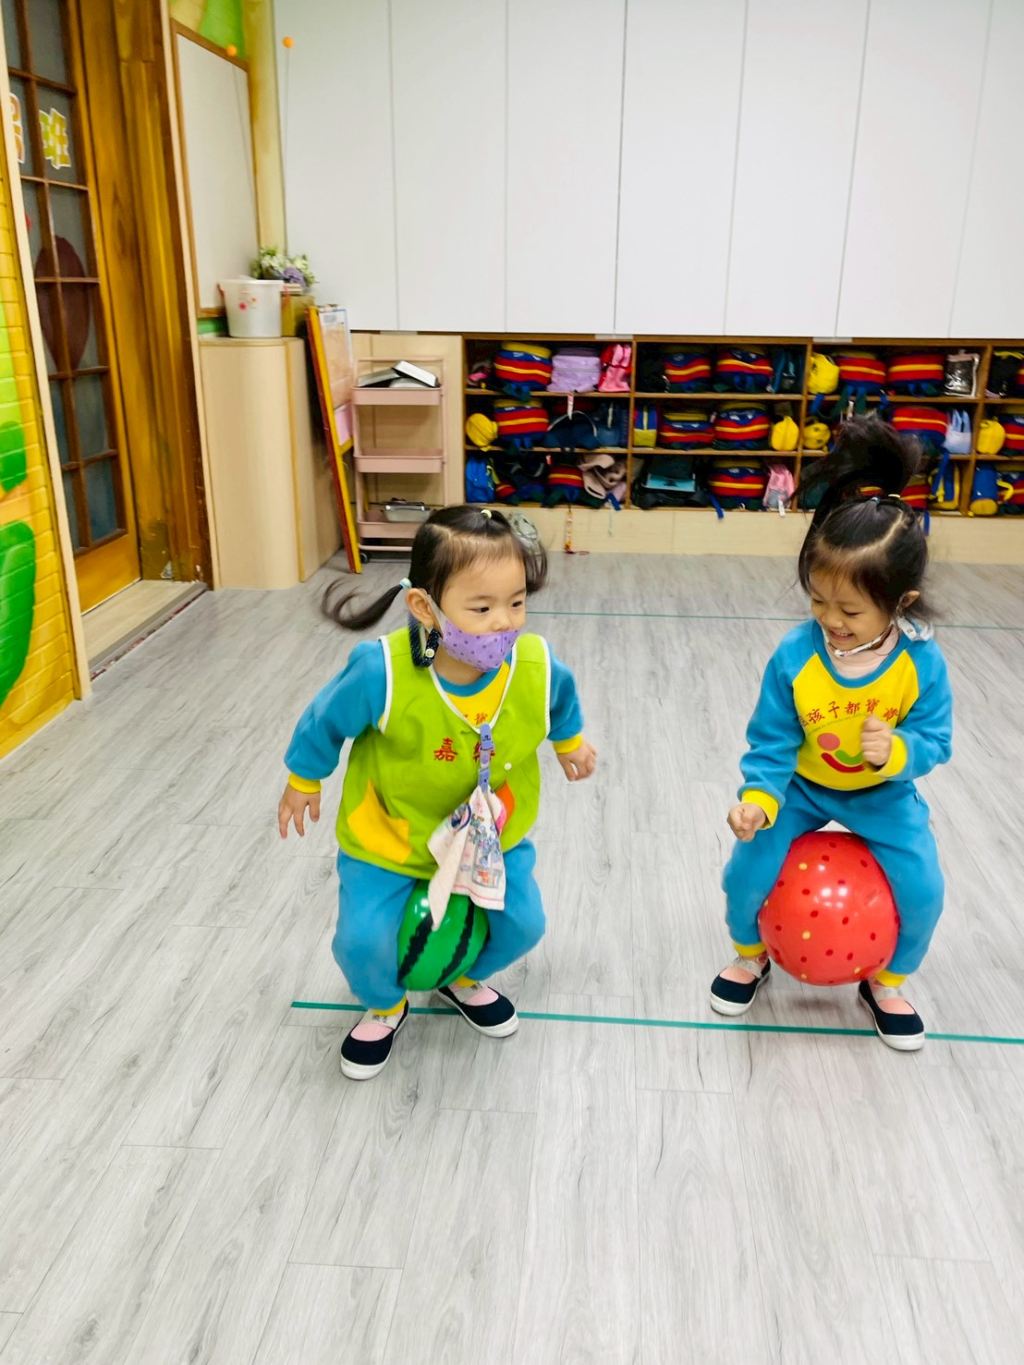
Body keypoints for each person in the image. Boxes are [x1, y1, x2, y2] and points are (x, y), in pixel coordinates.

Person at [279, 506, 597, 1079]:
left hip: (488, 838)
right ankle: (386, 1004)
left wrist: (569, 741)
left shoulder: (534, 665)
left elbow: (560, 698)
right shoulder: (384, 672)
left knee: (525, 924)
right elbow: (326, 719)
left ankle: (458, 974)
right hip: (391, 839)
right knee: (361, 942)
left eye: (517, 602)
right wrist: (305, 777)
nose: (504, 623)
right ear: (425, 607)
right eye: (482, 608)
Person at [709, 417, 953, 1050]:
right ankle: (750, 956)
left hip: (881, 794)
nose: (830, 620)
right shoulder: (796, 654)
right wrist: (759, 799)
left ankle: (886, 983)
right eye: (818, 601)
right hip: (802, 787)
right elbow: (771, 740)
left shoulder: (920, 662)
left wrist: (898, 751)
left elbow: (937, 739)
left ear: (901, 602)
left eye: (849, 610)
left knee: (925, 889)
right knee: (745, 870)